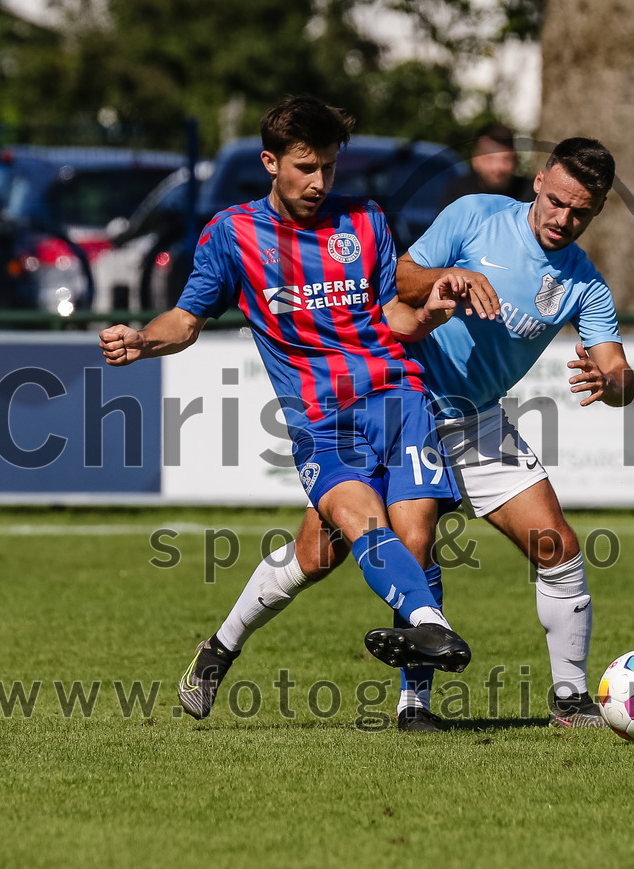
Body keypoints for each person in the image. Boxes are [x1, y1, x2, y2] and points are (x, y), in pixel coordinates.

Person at [194, 137, 634, 733]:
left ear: (599, 209)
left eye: (580, 211)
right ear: (538, 181)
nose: (563, 219)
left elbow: (617, 368)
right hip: (401, 397)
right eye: (556, 201)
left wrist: (615, 381)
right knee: (326, 555)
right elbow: (398, 277)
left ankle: (570, 699)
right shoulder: (474, 215)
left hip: (476, 419)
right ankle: (222, 649)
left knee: (556, 546)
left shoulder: (585, 285)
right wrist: (445, 279)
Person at [98, 95, 482, 721]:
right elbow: (186, 319)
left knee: (410, 538)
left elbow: (392, 316)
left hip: (399, 397)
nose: (319, 182)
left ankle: (414, 703)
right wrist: (143, 340)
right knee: (351, 533)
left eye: (329, 167)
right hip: (322, 420)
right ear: (270, 162)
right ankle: (224, 649)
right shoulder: (233, 235)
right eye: (306, 167)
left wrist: (429, 312)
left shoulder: (365, 222)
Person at [438, 122, 534, 210]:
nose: (498, 167)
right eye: (490, 159)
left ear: (515, 160)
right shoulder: (458, 193)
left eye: (506, 159)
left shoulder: (530, 192)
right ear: (475, 160)